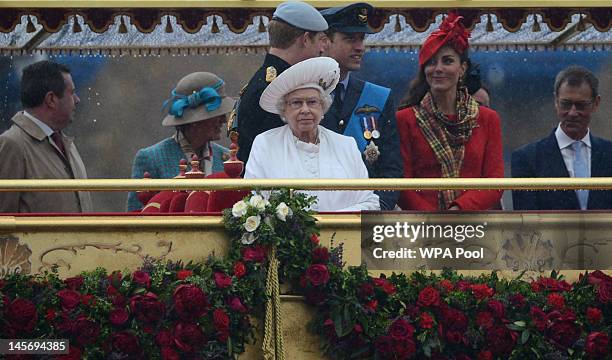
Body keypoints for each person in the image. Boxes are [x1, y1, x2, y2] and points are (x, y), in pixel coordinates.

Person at [395, 13, 504, 211]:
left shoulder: (488, 119)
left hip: (474, 226)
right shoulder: (405, 119)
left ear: (462, 69)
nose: (437, 69)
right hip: (423, 227)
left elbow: (495, 182)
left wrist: (459, 210)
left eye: (447, 61)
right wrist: (436, 219)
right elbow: (401, 184)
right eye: (431, 62)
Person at [245, 57, 380, 211]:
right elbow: (255, 201)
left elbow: (370, 202)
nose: (305, 110)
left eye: (312, 102)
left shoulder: (346, 145)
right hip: (289, 234)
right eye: (296, 103)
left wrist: (331, 223)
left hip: (343, 232)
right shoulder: (265, 144)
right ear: (284, 110)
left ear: (323, 107)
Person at [319, 3, 403, 210]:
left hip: (368, 216)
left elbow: (391, 169)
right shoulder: (302, 97)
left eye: (362, 39)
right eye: (350, 39)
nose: (360, 47)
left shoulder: (379, 97)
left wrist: (375, 210)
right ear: (325, 41)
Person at [232, 1, 328, 166]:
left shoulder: (267, 80)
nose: (323, 48)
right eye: (320, 39)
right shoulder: (276, 90)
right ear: (305, 39)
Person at [127, 72, 233, 211]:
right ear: (196, 121)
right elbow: (134, 217)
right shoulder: (151, 158)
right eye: (217, 114)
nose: (224, 120)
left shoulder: (227, 160)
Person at [512, 65, 612, 210]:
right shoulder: (527, 159)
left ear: (596, 103)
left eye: (580, 105)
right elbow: (527, 224)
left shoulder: (609, 154)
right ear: (556, 101)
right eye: (566, 104)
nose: (572, 112)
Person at [0, 60, 92, 213]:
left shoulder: (65, 143)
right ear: (51, 99)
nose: (77, 99)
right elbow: (4, 221)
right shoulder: (12, 145)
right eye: (71, 93)